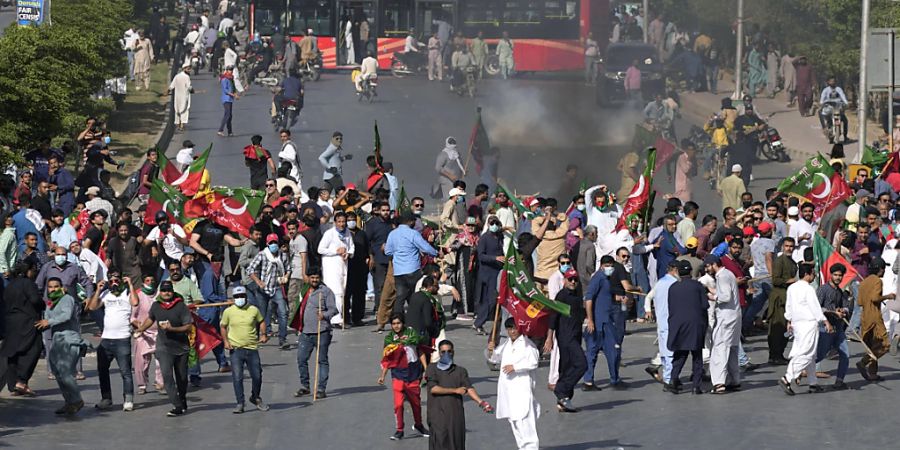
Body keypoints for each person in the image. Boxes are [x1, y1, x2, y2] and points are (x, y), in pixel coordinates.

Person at [132, 280, 193, 417]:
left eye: (169, 291)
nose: (166, 293)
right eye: (164, 291)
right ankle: (176, 405)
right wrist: (140, 329)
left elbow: (188, 326)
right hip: (163, 347)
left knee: (182, 378)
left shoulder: (181, 306)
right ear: (161, 292)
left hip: (181, 346)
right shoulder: (156, 305)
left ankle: (182, 398)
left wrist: (172, 329)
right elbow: (150, 319)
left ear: (172, 291)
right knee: (166, 375)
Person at [84, 272, 138, 411]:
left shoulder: (126, 293)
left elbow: (135, 302)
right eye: (112, 280)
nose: (114, 282)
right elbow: (92, 307)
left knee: (125, 371)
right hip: (106, 339)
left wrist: (131, 285)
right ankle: (106, 398)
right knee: (102, 370)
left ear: (121, 281)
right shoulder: (106, 293)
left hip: (122, 339)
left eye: (117, 280)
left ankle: (128, 398)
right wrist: (98, 290)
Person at [425, 339, 492, 450]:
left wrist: (482, 403)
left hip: (455, 416)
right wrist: (455, 390)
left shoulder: (460, 371)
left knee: (456, 443)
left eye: (449, 351)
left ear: (453, 352)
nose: (446, 354)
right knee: (440, 443)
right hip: (438, 416)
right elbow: (433, 389)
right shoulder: (432, 368)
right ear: (439, 353)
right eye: (443, 352)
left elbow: (469, 388)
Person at [36, 277, 88, 415]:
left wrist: (49, 322)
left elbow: (66, 316)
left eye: (56, 286)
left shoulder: (67, 299)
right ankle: (69, 402)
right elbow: (46, 318)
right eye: (50, 287)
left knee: (66, 372)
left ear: (62, 287)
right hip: (56, 340)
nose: (53, 289)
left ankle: (77, 400)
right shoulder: (50, 302)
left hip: (69, 340)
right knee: (57, 373)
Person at [778, 263, 831, 395]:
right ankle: (787, 378)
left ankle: (813, 383)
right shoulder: (808, 289)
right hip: (808, 324)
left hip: (797, 324)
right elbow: (815, 307)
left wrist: (789, 320)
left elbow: (788, 307)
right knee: (806, 353)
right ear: (807, 274)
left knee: (810, 355)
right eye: (813, 273)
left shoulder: (791, 288)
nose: (814, 276)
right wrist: (825, 320)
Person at [487, 318, 540, 450]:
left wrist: (515, 367)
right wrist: (490, 349)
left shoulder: (528, 345)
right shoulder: (506, 344)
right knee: (514, 421)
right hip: (508, 389)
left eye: (515, 328)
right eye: (509, 329)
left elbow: (533, 362)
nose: (512, 331)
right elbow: (494, 358)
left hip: (522, 388)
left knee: (525, 421)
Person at [377, 312, 430, 441]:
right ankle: (399, 430)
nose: (396, 326)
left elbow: (420, 351)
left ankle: (419, 425)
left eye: (398, 323)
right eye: (393, 324)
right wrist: (382, 375)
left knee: (416, 403)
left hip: (413, 373)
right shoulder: (389, 339)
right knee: (398, 405)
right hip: (398, 374)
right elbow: (387, 359)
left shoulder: (412, 334)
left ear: (403, 323)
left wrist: (427, 369)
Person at [220, 286, 270, 413]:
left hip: (252, 348)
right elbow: (223, 326)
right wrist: (225, 341)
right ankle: (240, 403)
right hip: (236, 349)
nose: (239, 299)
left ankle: (255, 396)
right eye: (236, 297)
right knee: (237, 377)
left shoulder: (253, 310)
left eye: (241, 296)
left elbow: (262, 321)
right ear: (233, 298)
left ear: (246, 297)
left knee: (257, 376)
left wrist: (263, 334)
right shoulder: (228, 312)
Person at [544, 269, 587, 412]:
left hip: (575, 335)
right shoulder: (561, 296)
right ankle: (561, 390)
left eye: (575, 279)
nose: (573, 282)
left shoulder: (576, 295)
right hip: (566, 337)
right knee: (581, 364)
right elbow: (553, 318)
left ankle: (563, 401)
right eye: (570, 279)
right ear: (565, 281)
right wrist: (549, 338)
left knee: (566, 367)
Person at [0, 260, 43, 397]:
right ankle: (22, 381)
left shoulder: (10, 285)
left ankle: (14, 385)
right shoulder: (28, 283)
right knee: (34, 348)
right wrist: (43, 304)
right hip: (27, 321)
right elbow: (35, 300)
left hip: (11, 322)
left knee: (13, 352)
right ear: (30, 270)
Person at [293, 269, 338, 399]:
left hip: (322, 331)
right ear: (308, 278)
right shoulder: (305, 290)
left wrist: (324, 315)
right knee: (301, 359)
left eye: (316, 278)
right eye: (312, 277)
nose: (314, 280)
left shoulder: (326, 292)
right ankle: (305, 386)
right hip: (306, 332)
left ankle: (321, 389)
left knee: (322, 360)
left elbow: (333, 309)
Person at [666, 260, 709, 394]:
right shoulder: (697, 286)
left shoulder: (673, 287)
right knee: (697, 355)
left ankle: (674, 379)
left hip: (678, 323)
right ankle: (696, 386)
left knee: (680, 353)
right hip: (696, 323)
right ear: (690, 271)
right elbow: (705, 305)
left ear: (678, 272)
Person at [582, 256, 623, 390]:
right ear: (601, 266)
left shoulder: (607, 279)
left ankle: (615, 379)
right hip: (598, 323)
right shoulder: (598, 278)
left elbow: (604, 296)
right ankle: (588, 381)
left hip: (607, 321)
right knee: (592, 352)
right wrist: (590, 320)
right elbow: (589, 300)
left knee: (613, 351)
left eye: (611, 265)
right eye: (607, 265)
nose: (609, 268)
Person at [385, 212, 438, 314]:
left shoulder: (392, 234)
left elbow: (388, 251)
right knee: (415, 295)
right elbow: (425, 247)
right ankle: (415, 317)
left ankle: (398, 318)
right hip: (413, 270)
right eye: (414, 221)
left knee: (400, 297)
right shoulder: (413, 233)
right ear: (410, 221)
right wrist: (436, 253)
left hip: (399, 271)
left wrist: (398, 252)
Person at [705, 255, 741, 394]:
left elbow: (725, 297)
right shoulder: (728, 274)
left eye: (708, 266)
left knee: (719, 349)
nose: (707, 269)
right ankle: (734, 379)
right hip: (734, 316)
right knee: (732, 349)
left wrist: (711, 297)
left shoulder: (722, 277)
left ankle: (719, 383)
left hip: (726, 318)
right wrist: (710, 290)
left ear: (714, 264)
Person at [247, 233, 290, 348]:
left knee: (283, 312)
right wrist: (258, 281)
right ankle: (259, 336)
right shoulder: (262, 255)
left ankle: (283, 339)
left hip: (276, 288)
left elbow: (288, 268)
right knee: (260, 314)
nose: (273, 245)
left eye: (275, 242)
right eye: (271, 243)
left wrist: (286, 276)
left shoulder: (282, 256)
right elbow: (250, 269)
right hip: (263, 289)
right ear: (267, 244)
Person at [815, 263, 851, 390]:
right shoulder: (823, 289)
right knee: (820, 355)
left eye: (840, 275)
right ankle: (798, 371)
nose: (838, 278)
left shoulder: (840, 292)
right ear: (831, 275)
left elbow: (846, 306)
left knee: (845, 354)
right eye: (835, 275)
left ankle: (839, 381)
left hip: (838, 328)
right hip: (825, 327)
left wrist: (843, 311)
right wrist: (832, 312)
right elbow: (817, 308)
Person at [857, 259, 894, 381]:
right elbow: (874, 298)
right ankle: (863, 362)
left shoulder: (864, 282)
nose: (884, 270)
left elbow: (860, 302)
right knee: (884, 345)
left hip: (864, 318)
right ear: (879, 269)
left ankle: (873, 373)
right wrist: (888, 296)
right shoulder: (877, 281)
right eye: (883, 268)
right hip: (874, 316)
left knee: (872, 345)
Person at [318, 212, 354, 327]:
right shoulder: (329, 233)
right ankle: (336, 318)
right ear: (335, 222)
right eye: (339, 222)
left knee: (341, 292)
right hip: (331, 267)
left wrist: (348, 253)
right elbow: (321, 249)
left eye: (344, 222)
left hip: (343, 266)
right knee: (336, 292)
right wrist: (335, 251)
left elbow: (351, 247)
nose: (342, 224)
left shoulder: (347, 233)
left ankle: (337, 316)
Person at [131, 273, 164, 395]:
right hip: (143, 333)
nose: (150, 282)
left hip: (159, 333)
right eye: (147, 280)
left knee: (161, 362)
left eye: (152, 280)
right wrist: (139, 326)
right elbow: (132, 317)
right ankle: (142, 385)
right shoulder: (138, 295)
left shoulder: (160, 295)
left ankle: (160, 383)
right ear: (143, 282)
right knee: (141, 363)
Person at [768, 237, 797, 364]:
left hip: (788, 298)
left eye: (791, 246)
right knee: (777, 329)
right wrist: (789, 281)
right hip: (779, 299)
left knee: (786, 328)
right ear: (782, 247)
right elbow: (775, 280)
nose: (789, 248)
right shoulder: (780, 261)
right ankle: (774, 356)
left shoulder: (792, 262)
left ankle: (779, 354)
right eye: (787, 246)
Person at [473, 216, 504, 335]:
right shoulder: (484, 238)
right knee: (489, 300)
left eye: (496, 223)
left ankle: (479, 322)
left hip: (497, 271)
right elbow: (481, 256)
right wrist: (495, 258)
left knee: (492, 300)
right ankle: (479, 322)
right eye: (492, 223)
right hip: (487, 273)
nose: (494, 225)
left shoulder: (499, 236)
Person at [819, 76, 849, 142]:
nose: (833, 82)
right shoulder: (825, 90)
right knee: (824, 116)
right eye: (831, 81)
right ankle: (826, 129)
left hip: (838, 108)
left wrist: (846, 103)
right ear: (828, 82)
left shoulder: (839, 89)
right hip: (829, 108)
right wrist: (822, 103)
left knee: (845, 121)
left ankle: (845, 136)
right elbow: (822, 99)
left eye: (834, 81)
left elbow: (843, 96)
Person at [167, 64, 193, 131]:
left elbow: (171, 86)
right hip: (184, 97)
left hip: (177, 97)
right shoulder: (186, 77)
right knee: (184, 110)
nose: (189, 70)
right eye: (188, 69)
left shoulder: (177, 76)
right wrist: (192, 90)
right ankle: (181, 125)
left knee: (177, 110)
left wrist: (167, 92)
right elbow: (189, 87)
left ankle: (178, 124)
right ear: (184, 69)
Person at [217, 66, 239, 136]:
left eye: (232, 70)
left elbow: (233, 88)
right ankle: (220, 130)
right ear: (226, 71)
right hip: (226, 99)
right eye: (229, 70)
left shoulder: (231, 78)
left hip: (230, 99)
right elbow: (226, 91)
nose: (231, 71)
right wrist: (234, 95)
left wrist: (235, 94)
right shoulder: (224, 79)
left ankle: (230, 131)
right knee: (227, 114)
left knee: (230, 115)